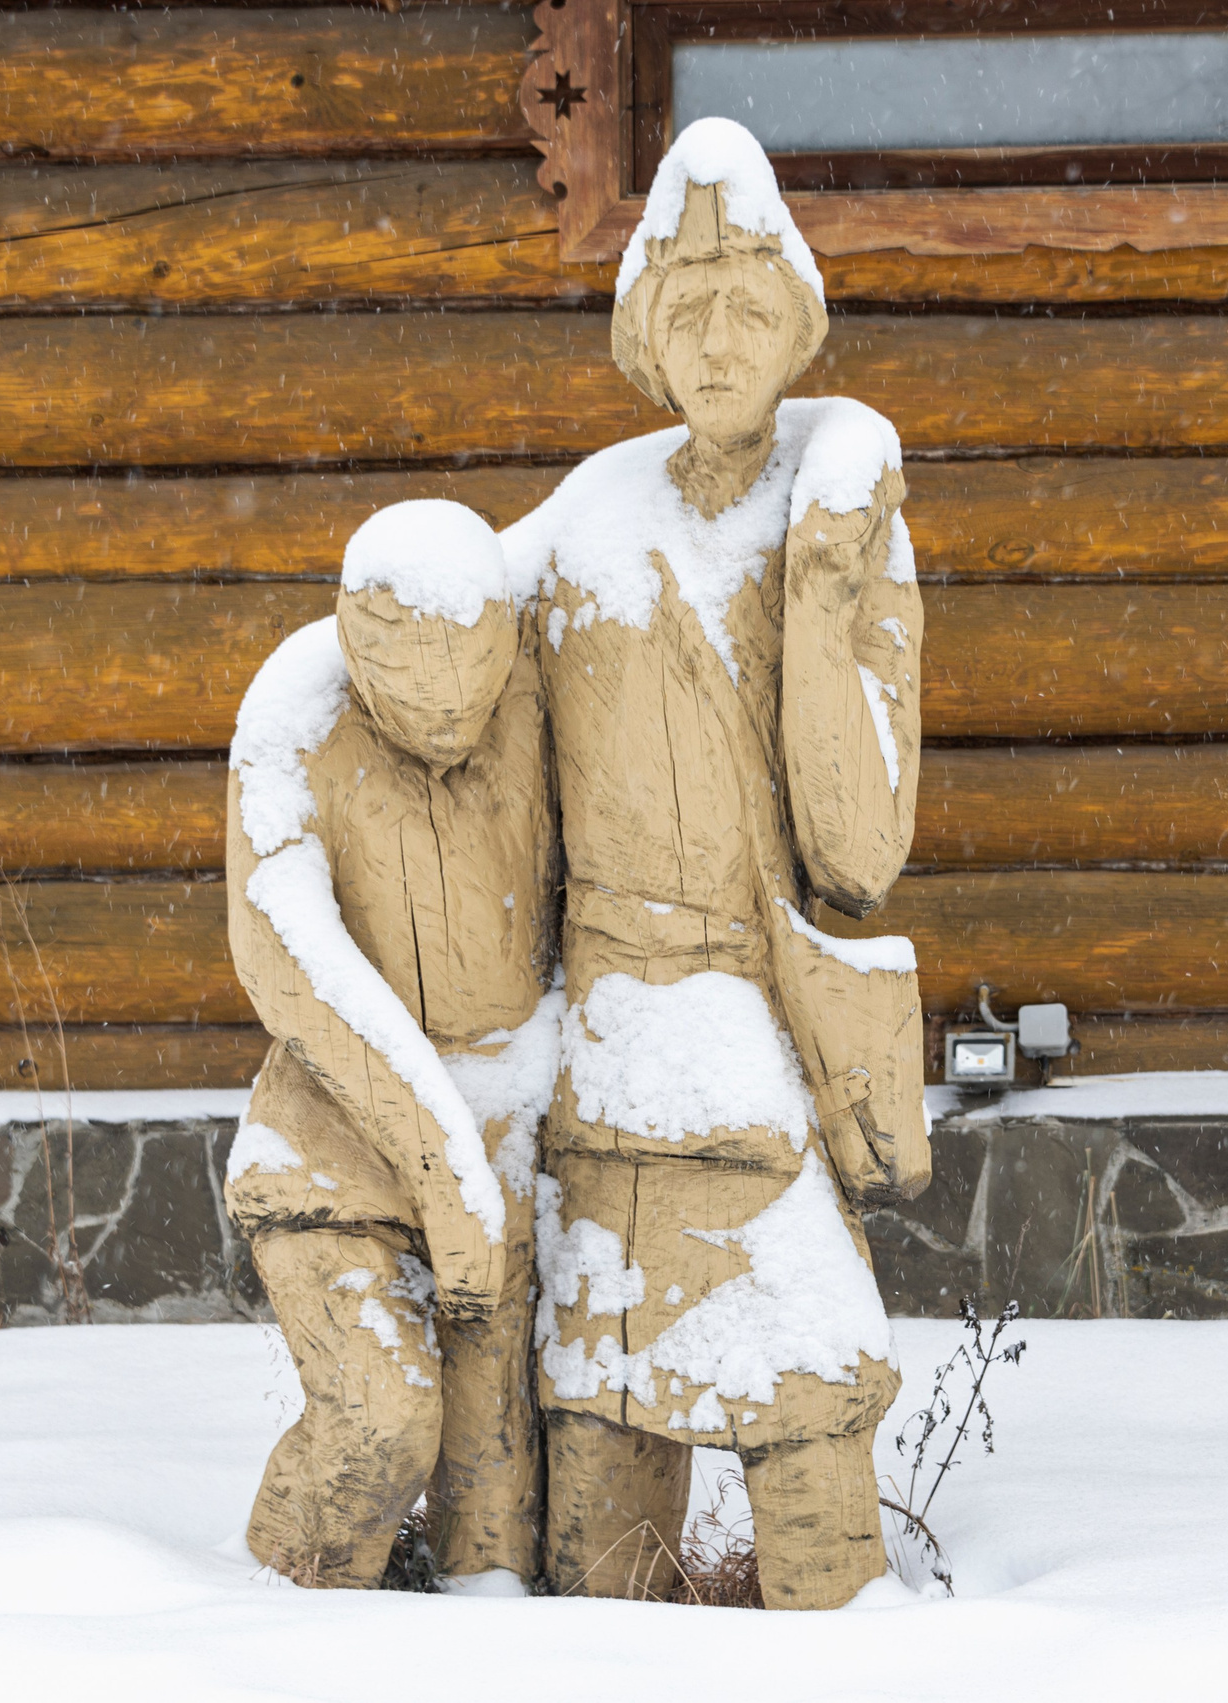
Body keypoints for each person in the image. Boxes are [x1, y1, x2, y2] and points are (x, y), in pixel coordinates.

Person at [502, 117, 932, 1612]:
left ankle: (846, 1633)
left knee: (804, 1391)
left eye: (751, 309)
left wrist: (826, 586)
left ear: (798, 325)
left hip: (748, 1028)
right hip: (605, 1033)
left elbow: (860, 843)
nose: (720, 342)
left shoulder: (842, 507)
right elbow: (448, 661)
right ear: (643, 334)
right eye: (688, 314)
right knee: (601, 1411)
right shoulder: (583, 520)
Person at [223, 498, 560, 1591]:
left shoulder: (538, 696)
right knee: (382, 1415)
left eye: (476, 674)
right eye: (416, 685)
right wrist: (439, 1164)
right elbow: (288, 957)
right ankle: (271, 1622)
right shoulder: (296, 712)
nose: (453, 711)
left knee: (493, 1502)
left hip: (509, 1134)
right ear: (359, 647)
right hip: (337, 1148)